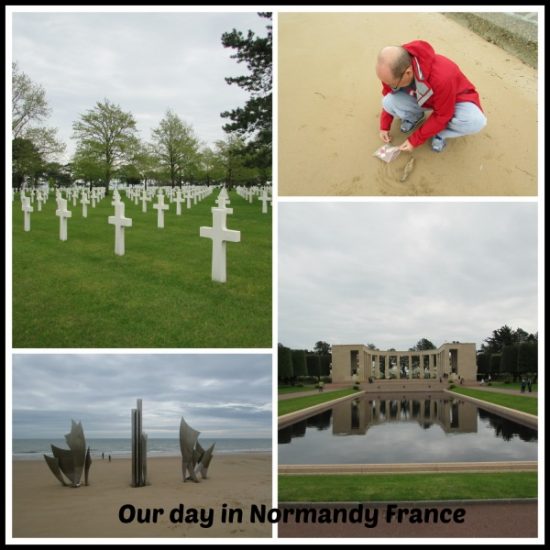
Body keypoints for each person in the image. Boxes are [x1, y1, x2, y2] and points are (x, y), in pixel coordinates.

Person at [376, 41, 487, 153]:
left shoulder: (443, 77)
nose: (388, 85)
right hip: (425, 98)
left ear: (408, 73)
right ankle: (416, 116)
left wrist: (415, 140)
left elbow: (443, 115)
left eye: (391, 83)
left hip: (453, 99)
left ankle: (441, 133)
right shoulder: (391, 72)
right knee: (388, 101)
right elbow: (387, 93)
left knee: (475, 122)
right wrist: (384, 126)